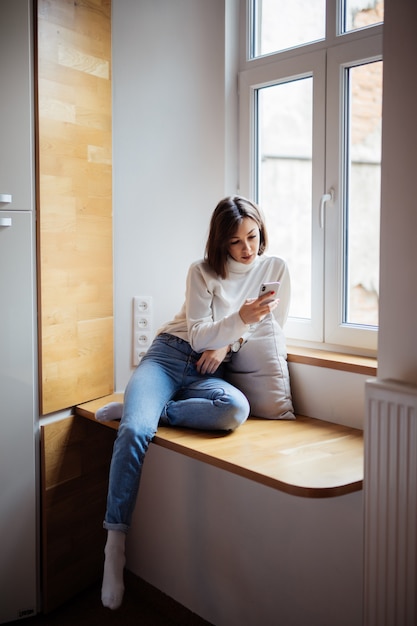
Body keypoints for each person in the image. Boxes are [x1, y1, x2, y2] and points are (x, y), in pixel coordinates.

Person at [100, 195, 290, 610]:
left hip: (209, 371)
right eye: (236, 242)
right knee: (134, 433)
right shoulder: (200, 271)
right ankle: (114, 547)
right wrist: (231, 329)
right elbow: (200, 334)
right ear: (220, 243)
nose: (247, 249)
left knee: (234, 410)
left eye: (253, 237)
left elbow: (268, 328)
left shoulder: (274, 269)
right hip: (169, 355)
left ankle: (149, 411)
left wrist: (230, 344)